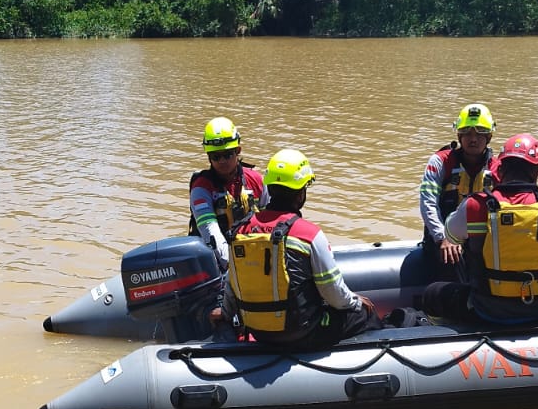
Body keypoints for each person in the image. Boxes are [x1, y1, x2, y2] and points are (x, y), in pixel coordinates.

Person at [424, 132, 538, 325]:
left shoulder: (475, 206)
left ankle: (449, 339)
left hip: (486, 311)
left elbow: (451, 235)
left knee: (432, 294)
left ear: (499, 169)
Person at [225, 149, 382, 350]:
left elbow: (232, 283)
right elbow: (332, 292)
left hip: (257, 331)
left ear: (270, 189)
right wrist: (356, 303)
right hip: (300, 330)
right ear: (300, 194)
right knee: (364, 315)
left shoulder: (239, 231)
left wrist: (225, 313)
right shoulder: (309, 234)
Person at [420, 102, 500, 272]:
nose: (473, 139)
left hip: (481, 239)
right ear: (458, 135)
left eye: (480, 133)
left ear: (489, 137)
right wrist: (443, 237)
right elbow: (428, 203)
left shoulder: (497, 167)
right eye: (467, 133)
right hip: (444, 238)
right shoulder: (440, 162)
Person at [188, 117, 269, 266]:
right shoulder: (201, 189)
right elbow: (211, 234)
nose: (222, 161)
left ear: (238, 151)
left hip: (256, 256)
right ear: (209, 157)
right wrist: (238, 266)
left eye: (227, 155)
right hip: (218, 263)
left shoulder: (256, 180)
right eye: (216, 156)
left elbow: (272, 221)